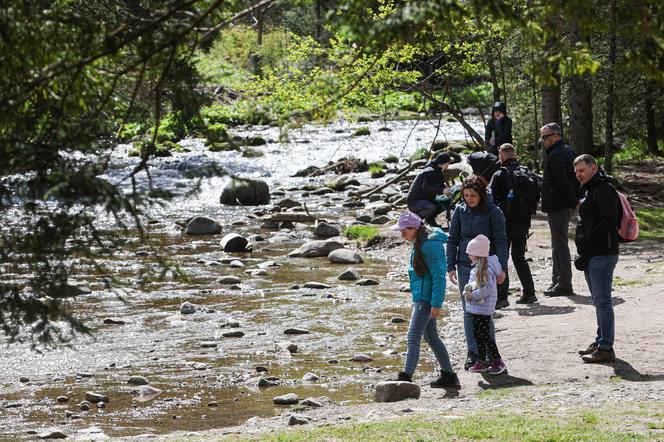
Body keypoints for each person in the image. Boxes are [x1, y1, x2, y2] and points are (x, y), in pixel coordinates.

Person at [390, 211, 460, 387]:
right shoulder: (419, 241)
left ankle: (406, 377)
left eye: (404, 231)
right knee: (431, 338)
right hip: (422, 297)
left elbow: (439, 277)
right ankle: (448, 375)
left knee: (413, 337)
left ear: (414, 228)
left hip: (426, 300)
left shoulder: (429, 245)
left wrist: (436, 304)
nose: (401, 234)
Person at [446, 175, 508, 370]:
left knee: (485, 311)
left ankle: (490, 354)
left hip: (485, 267)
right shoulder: (459, 210)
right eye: (465, 195)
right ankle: (473, 353)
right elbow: (452, 239)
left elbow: (501, 241)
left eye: (473, 195)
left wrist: (502, 268)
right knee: (468, 310)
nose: (469, 199)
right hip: (464, 265)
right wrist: (450, 266)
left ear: (481, 194)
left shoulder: (494, 211)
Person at [573, 155, 620, 363]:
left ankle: (606, 348)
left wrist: (590, 238)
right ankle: (600, 340)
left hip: (602, 253)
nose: (578, 175)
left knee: (603, 302)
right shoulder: (589, 189)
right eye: (576, 172)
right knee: (598, 302)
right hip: (591, 254)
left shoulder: (603, 189)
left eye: (582, 170)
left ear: (594, 168)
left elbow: (610, 220)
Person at [489, 144, 538, 304]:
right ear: (515, 155)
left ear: (501, 156)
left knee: (502, 258)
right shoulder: (526, 173)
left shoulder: (499, 174)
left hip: (504, 223)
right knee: (519, 257)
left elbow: (492, 201)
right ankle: (529, 293)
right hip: (523, 222)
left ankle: (502, 297)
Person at [540, 123, 581, 297]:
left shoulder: (557, 153)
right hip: (561, 203)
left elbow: (563, 181)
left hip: (559, 204)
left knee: (560, 244)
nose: (543, 140)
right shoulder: (567, 150)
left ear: (556, 135)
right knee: (558, 243)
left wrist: (573, 202)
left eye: (546, 137)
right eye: (542, 137)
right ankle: (557, 279)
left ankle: (564, 283)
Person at [463, 234, 507, 375]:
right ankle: (481, 361)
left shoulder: (486, 270)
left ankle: (497, 361)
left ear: (477, 254)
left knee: (485, 336)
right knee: (478, 335)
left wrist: (473, 295)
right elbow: (475, 283)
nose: (469, 256)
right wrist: (468, 288)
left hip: (483, 307)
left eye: (470, 253)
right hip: (477, 308)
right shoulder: (477, 268)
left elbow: (487, 289)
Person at [406, 152, 452, 228]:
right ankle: (413, 223)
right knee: (432, 208)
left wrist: (447, 190)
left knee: (443, 204)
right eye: (448, 164)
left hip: (425, 198)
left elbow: (440, 185)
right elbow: (426, 189)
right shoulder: (429, 171)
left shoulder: (438, 170)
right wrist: (442, 191)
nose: (448, 166)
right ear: (445, 163)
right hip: (414, 201)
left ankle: (429, 220)